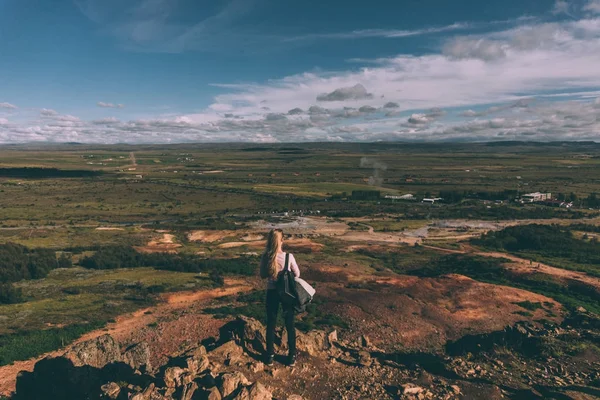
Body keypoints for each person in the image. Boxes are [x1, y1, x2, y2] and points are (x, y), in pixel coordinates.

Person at [259, 229, 300, 367]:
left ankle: (270, 355)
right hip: (287, 293)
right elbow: (297, 274)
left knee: (271, 324)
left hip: (272, 293)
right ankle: (291, 356)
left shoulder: (266, 257)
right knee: (290, 325)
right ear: (282, 240)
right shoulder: (289, 257)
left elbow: (262, 275)